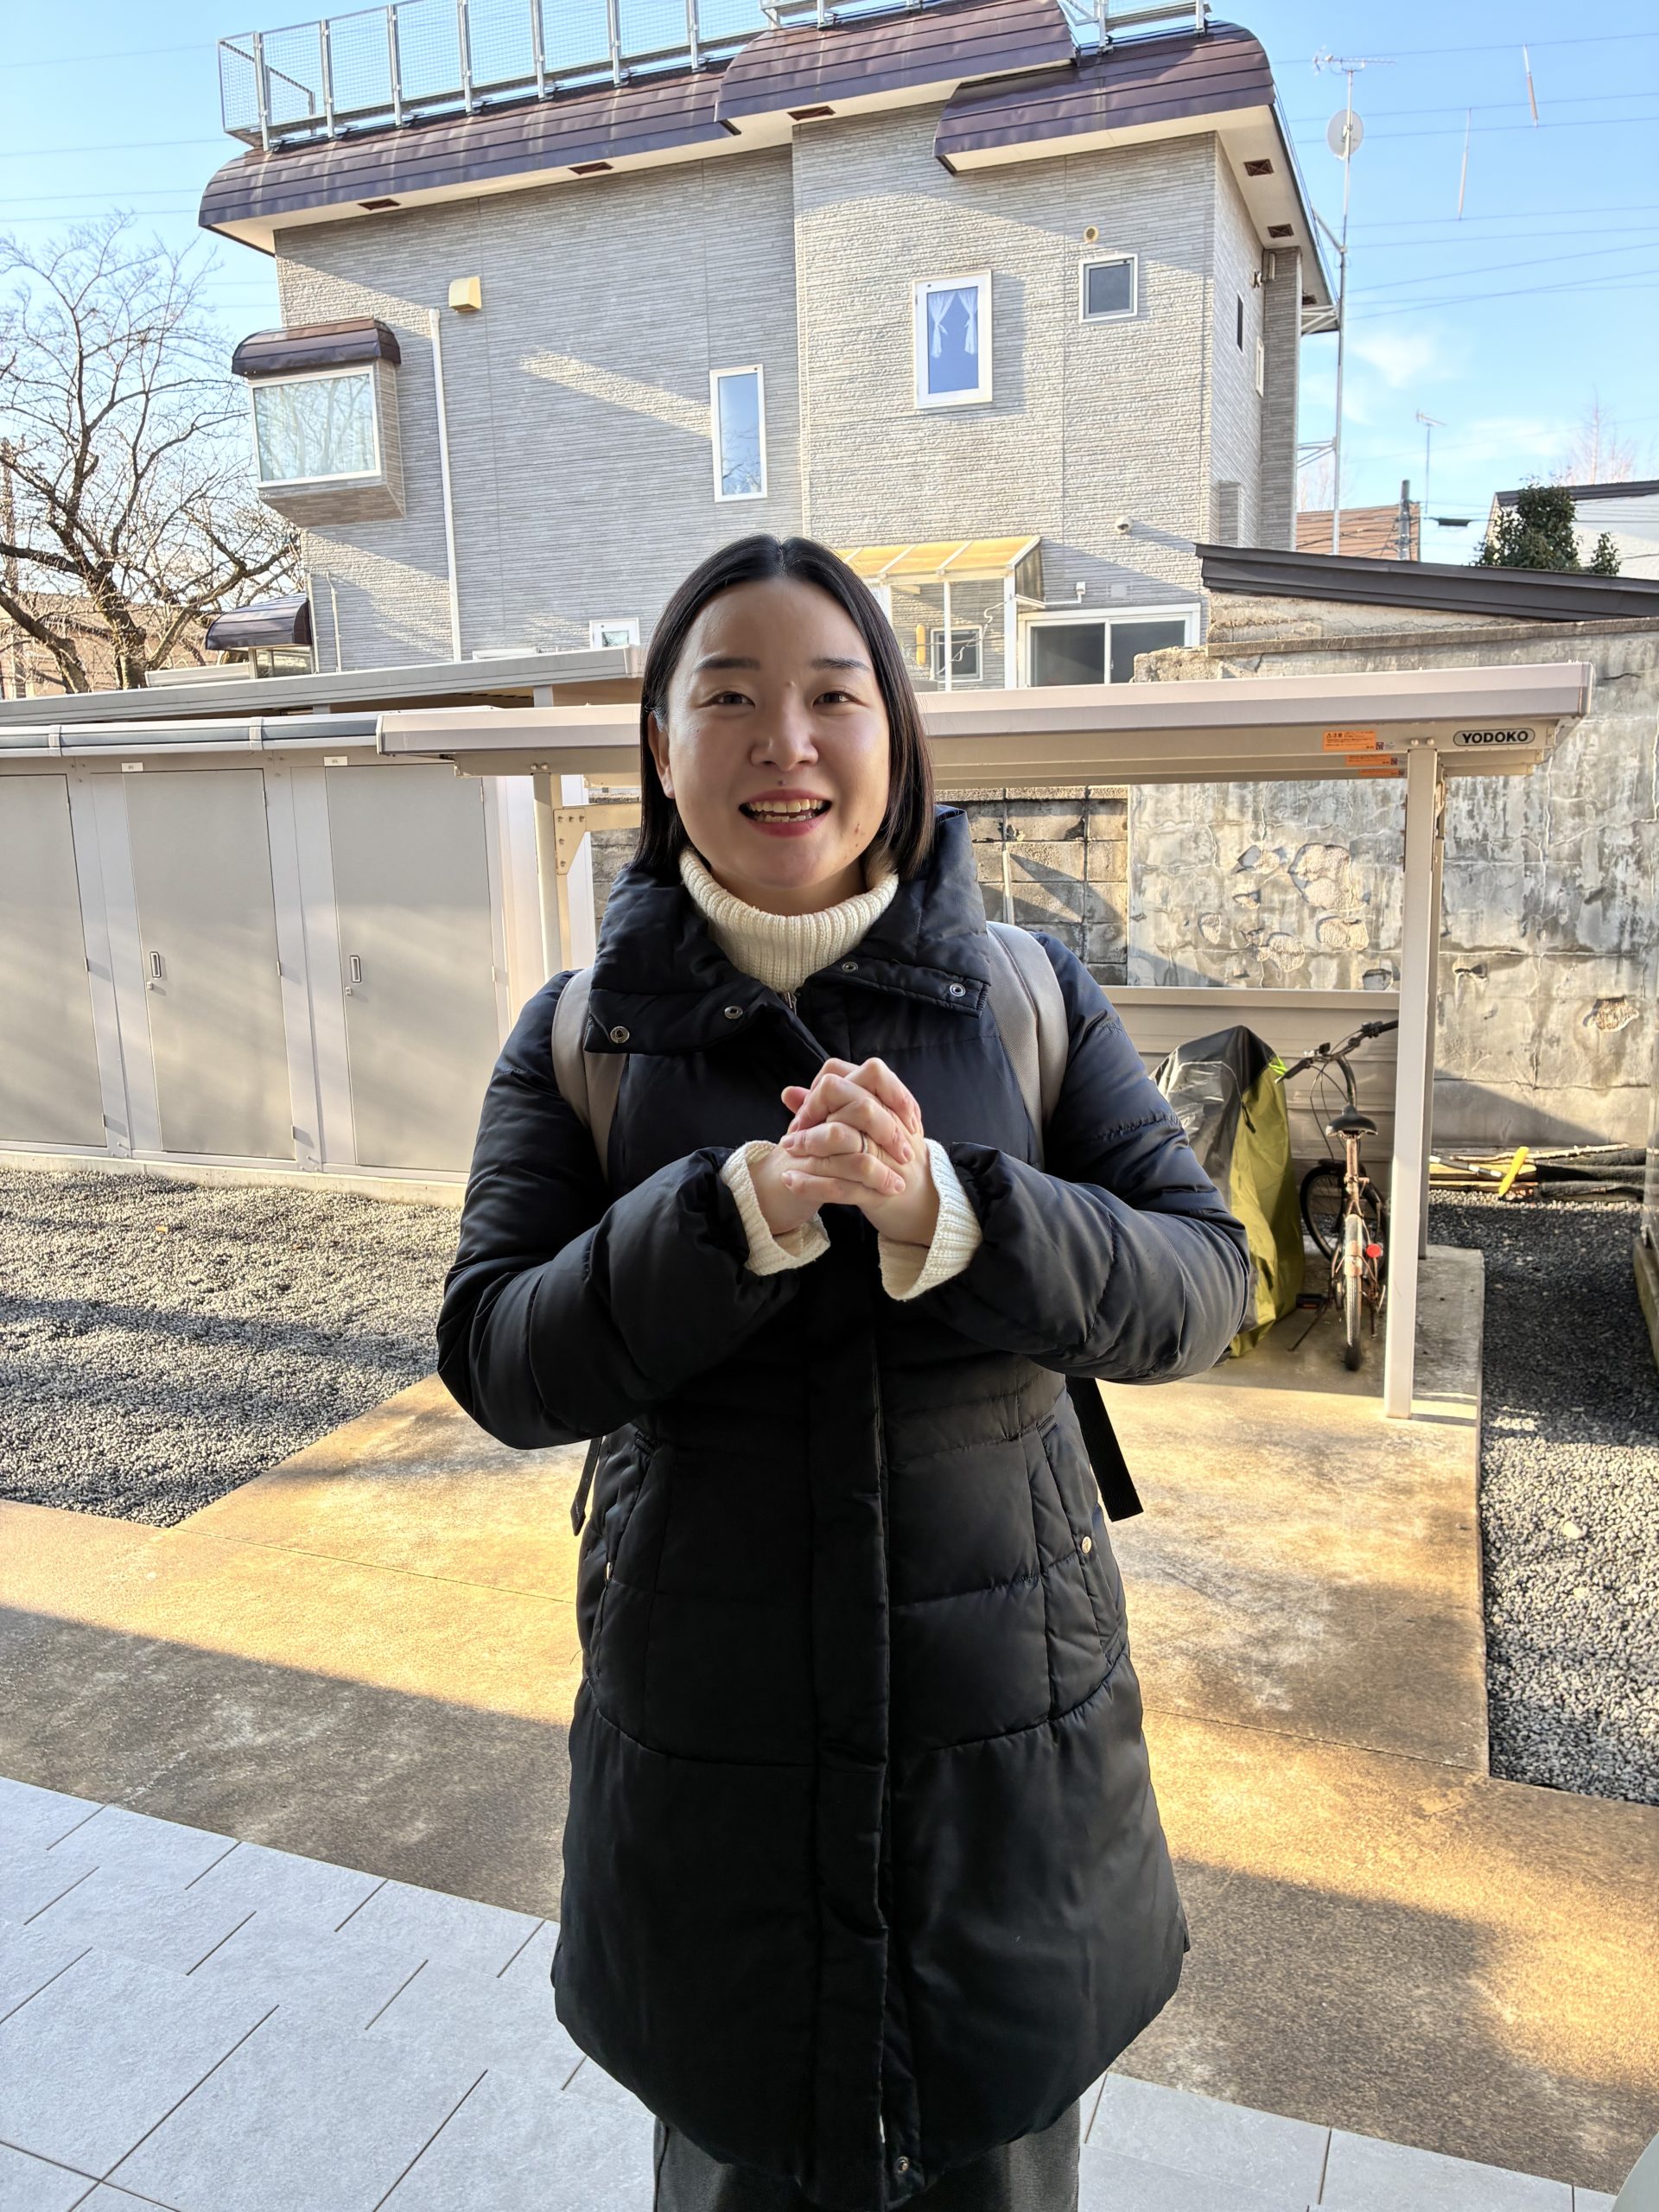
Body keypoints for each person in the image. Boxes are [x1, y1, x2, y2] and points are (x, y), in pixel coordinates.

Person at [436, 533, 1253, 2211]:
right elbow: (499, 1353)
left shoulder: (1030, 996)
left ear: (897, 733)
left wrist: (960, 1212)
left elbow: (1200, 1284)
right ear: (661, 746)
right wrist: (725, 1219)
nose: (785, 744)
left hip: (1006, 1792)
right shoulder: (583, 1033)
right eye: (728, 697)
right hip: (707, 1789)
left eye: (832, 694)